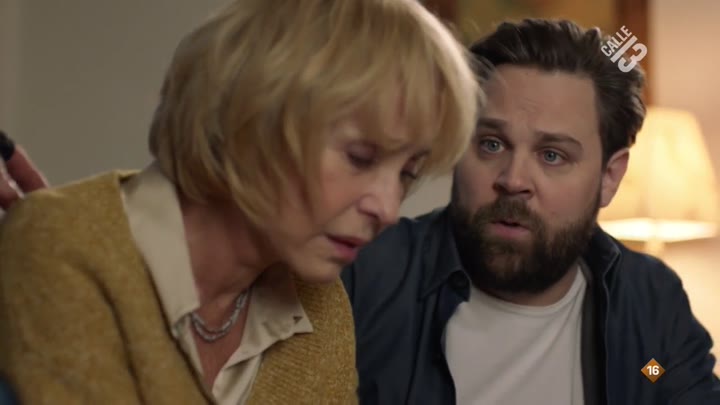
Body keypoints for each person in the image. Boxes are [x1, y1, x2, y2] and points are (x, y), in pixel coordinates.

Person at [0, 0, 480, 403]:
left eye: (407, 174)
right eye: (360, 157)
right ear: (254, 117)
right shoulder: (63, 245)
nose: (389, 210)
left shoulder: (321, 309)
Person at [342, 19, 720, 404]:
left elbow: (661, 377)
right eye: (491, 144)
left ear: (609, 177)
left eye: (552, 155)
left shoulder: (651, 302)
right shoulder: (364, 273)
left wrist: (651, 375)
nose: (513, 180)